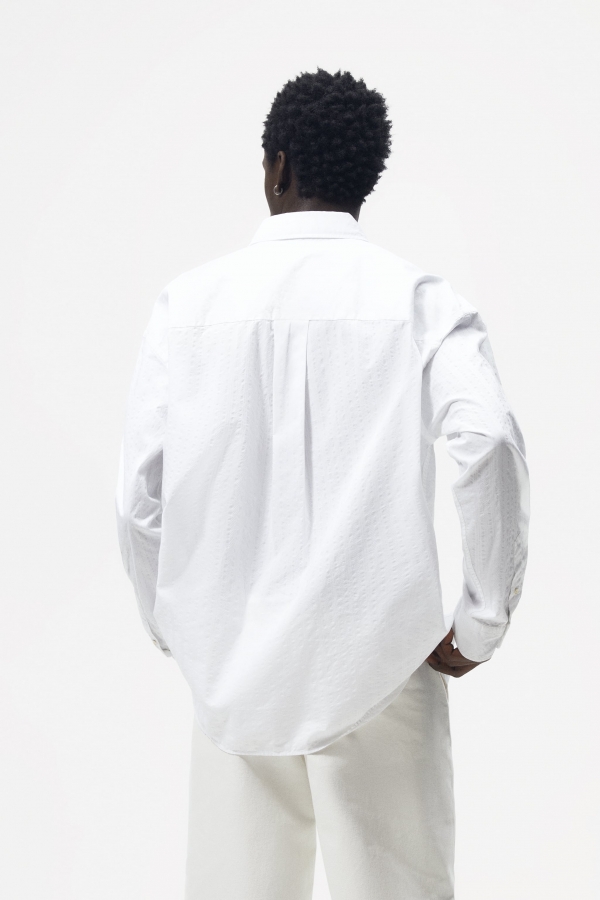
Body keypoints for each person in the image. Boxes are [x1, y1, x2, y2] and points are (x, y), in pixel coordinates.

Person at [116, 68, 529, 900]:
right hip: (381, 661)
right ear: (365, 178)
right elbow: (486, 440)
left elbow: (138, 499)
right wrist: (481, 621)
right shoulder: (419, 300)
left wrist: (176, 622)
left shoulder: (187, 305)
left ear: (276, 167)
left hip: (232, 668)